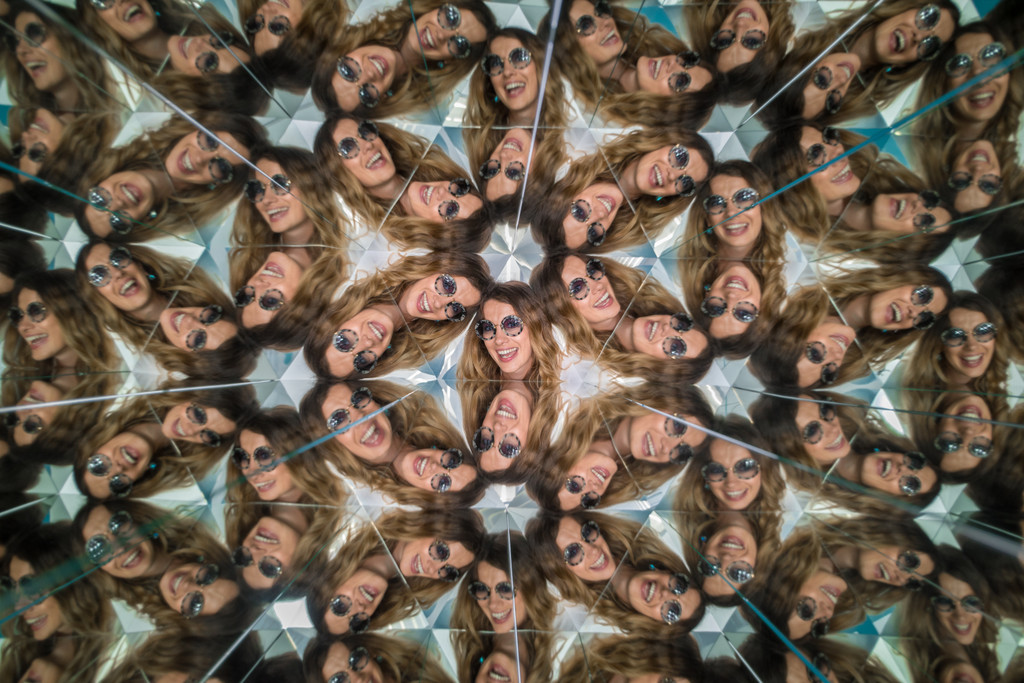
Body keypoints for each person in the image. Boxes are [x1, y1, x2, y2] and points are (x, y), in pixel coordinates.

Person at [230, 146, 351, 350]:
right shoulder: (353, 259)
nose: (266, 200)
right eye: (270, 300)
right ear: (306, 306)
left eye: (247, 295)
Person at [314, 114, 493, 251]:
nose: (368, 144)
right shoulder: (431, 148)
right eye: (458, 190)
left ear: (440, 237)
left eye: (450, 209)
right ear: (338, 172)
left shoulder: (388, 247)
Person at [530, 252, 714, 383]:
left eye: (675, 346)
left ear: (665, 371)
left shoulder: (602, 377)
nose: (598, 285)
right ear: (562, 312)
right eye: (681, 325)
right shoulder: (575, 353)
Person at [299, 380, 486, 507]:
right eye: (339, 420)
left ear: (431, 500)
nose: (360, 417)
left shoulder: (372, 502)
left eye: (443, 482)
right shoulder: (415, 399)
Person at [304, 253, 490, 378]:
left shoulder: (374, 259)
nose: (367, 343)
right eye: (362, 360)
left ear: (337, 318)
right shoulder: (414, 359)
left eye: (345, 341)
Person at [306, 508, 485, 635]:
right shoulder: (416, 600)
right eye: (357, 621)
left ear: (331, 578)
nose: (360, 609)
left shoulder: (377, 508)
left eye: (341, 606)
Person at [547, 0, 723, 127]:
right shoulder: (569, 95)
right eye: (686, 61)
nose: (672, 62)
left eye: (680, 81)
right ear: (566, 48)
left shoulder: (606, 124)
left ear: (671, 112)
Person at [533, 129, 714, 251]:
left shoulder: (590, 138)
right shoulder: (635, 238)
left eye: (580, 212)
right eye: (594, 232)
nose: (673, 175)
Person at [310, 0, 497, 117]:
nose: (442, 34)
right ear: (380, 99)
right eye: (366, 93)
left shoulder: (368, 8)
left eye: (349, 71)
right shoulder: (419, 112)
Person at [0, 524, 113, 683]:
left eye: (32, 588)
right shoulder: (18, 652)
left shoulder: (114, 663)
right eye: (13, 588)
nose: (20, 607)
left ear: (73, 584)